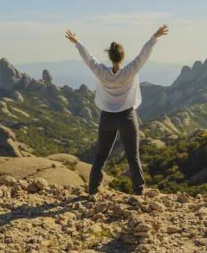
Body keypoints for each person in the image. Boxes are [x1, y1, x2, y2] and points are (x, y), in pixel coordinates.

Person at [65, 24, 169, 195]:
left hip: (107, 118)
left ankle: (92, 190)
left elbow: (89, 58)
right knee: (133, 157)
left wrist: (76, 42)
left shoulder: (102, 72)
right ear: (122, 57)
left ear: (110, 57)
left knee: (101, 156)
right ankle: (139, 191)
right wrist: (155, 37)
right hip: (127, 117)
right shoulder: (130, 71)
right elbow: (144, 54)